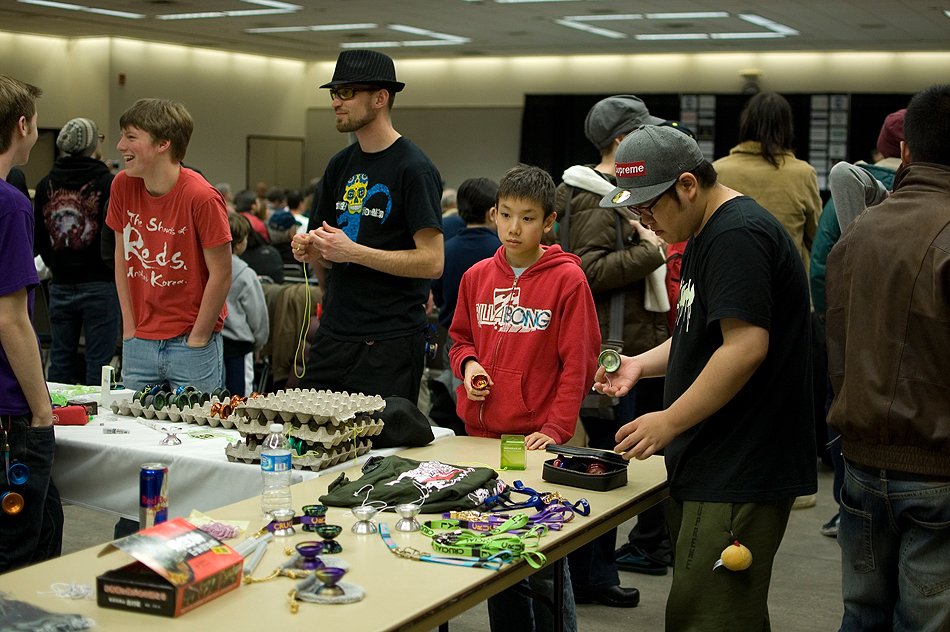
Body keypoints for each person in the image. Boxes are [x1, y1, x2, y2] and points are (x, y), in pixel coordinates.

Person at [595, 125, 816, 632]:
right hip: (715, 458)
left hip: (743, 461)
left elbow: (744, 349)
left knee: (710, 617)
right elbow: (702, 336)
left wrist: (669, 420)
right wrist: (639, 363)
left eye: (649, 206)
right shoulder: (702, 232)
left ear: (688, 185)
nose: (642, 219)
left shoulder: (737, 234)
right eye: (633, 209)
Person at [449, 164, 600, 632]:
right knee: (498, 555)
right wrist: (469, 367)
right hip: (480, 436)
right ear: (493, 214)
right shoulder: (476, 277)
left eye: (528, 218)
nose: (515, 228)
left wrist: (554, 430)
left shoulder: (566, 281)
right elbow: (458, 340)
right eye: (507, 215)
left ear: (549, 222)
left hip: (534, 440)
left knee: (543, 552)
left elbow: (579, 363)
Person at [825, 84, 950, 632]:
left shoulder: (857, 231)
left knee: (862, 614)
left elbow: (836, 347)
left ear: (904, 151)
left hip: (859, 461)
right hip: (937, 467)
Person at [554, 95, 669, 607]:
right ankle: (592, 576)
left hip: (626, 346)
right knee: (601, 463)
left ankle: (593, 573)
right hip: (609, 348)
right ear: (621, 143)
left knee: (610, 461)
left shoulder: (616, 194)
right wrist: (652, 250)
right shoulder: (595, 195)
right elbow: (588, 269)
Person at [292, 49, 443, 405]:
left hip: (389, 341)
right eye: (333, 93)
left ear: (380, 98)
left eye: (346, 92)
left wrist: (353, 252)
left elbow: (433, 261)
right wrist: (313, 250)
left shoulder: (414, 169)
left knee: (381, 452)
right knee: (307, 434)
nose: (335, 102)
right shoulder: (339, 165)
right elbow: (328, 253)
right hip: (334, 332)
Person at [808, 108, 904, 538]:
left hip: (856, 341)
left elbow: (821, 263)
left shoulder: (858, 192)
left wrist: (837, 317)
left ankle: (846, 507)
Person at [106, 98, 232, 393]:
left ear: (163, 143)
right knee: (135, 434)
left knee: (197, 434)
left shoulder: (202, 197)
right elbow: (121, 258)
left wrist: (199, 337)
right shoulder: (122, 185)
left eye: (131, 137)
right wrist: (129, 329)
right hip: (139, 341)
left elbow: (222, 274)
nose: (120, 146)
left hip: (190, 343)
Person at [0, 74, 63, 573]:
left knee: (47, 519)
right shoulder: (10, 205)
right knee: (20, 550)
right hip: (7, 409)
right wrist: (43, 412)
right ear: (21, 126)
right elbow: (11, 318)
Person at [34, 117, 119, 386]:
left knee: (60, 359)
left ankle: (55, 417)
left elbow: (39, 236)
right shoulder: (107, 183)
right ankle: (98, 421)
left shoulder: (46, 184)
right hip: (100, 283)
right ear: (93, 144)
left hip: (59, 284)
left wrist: (57, 264)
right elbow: (112, 236)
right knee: (100, 364)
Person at [712, 92, 821, 274]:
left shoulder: (717, 170)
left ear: (746, 123)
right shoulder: (803, 173)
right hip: (788, 285)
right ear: (787, 127)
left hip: (729, 279)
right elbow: (815, 240)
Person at [429, 177, 499, 435]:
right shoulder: (501, 252)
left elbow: (436, 293)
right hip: (492, 339)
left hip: (452, 338)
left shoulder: (446, 250)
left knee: (457, 393)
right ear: (494, 212)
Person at [222, 212, 269, 397]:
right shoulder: (245, 274)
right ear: (240, 243)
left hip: (209, 343)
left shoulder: (204, 265)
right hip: (239, 347)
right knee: (240, 402)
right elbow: (258, 316)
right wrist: (259, 344)